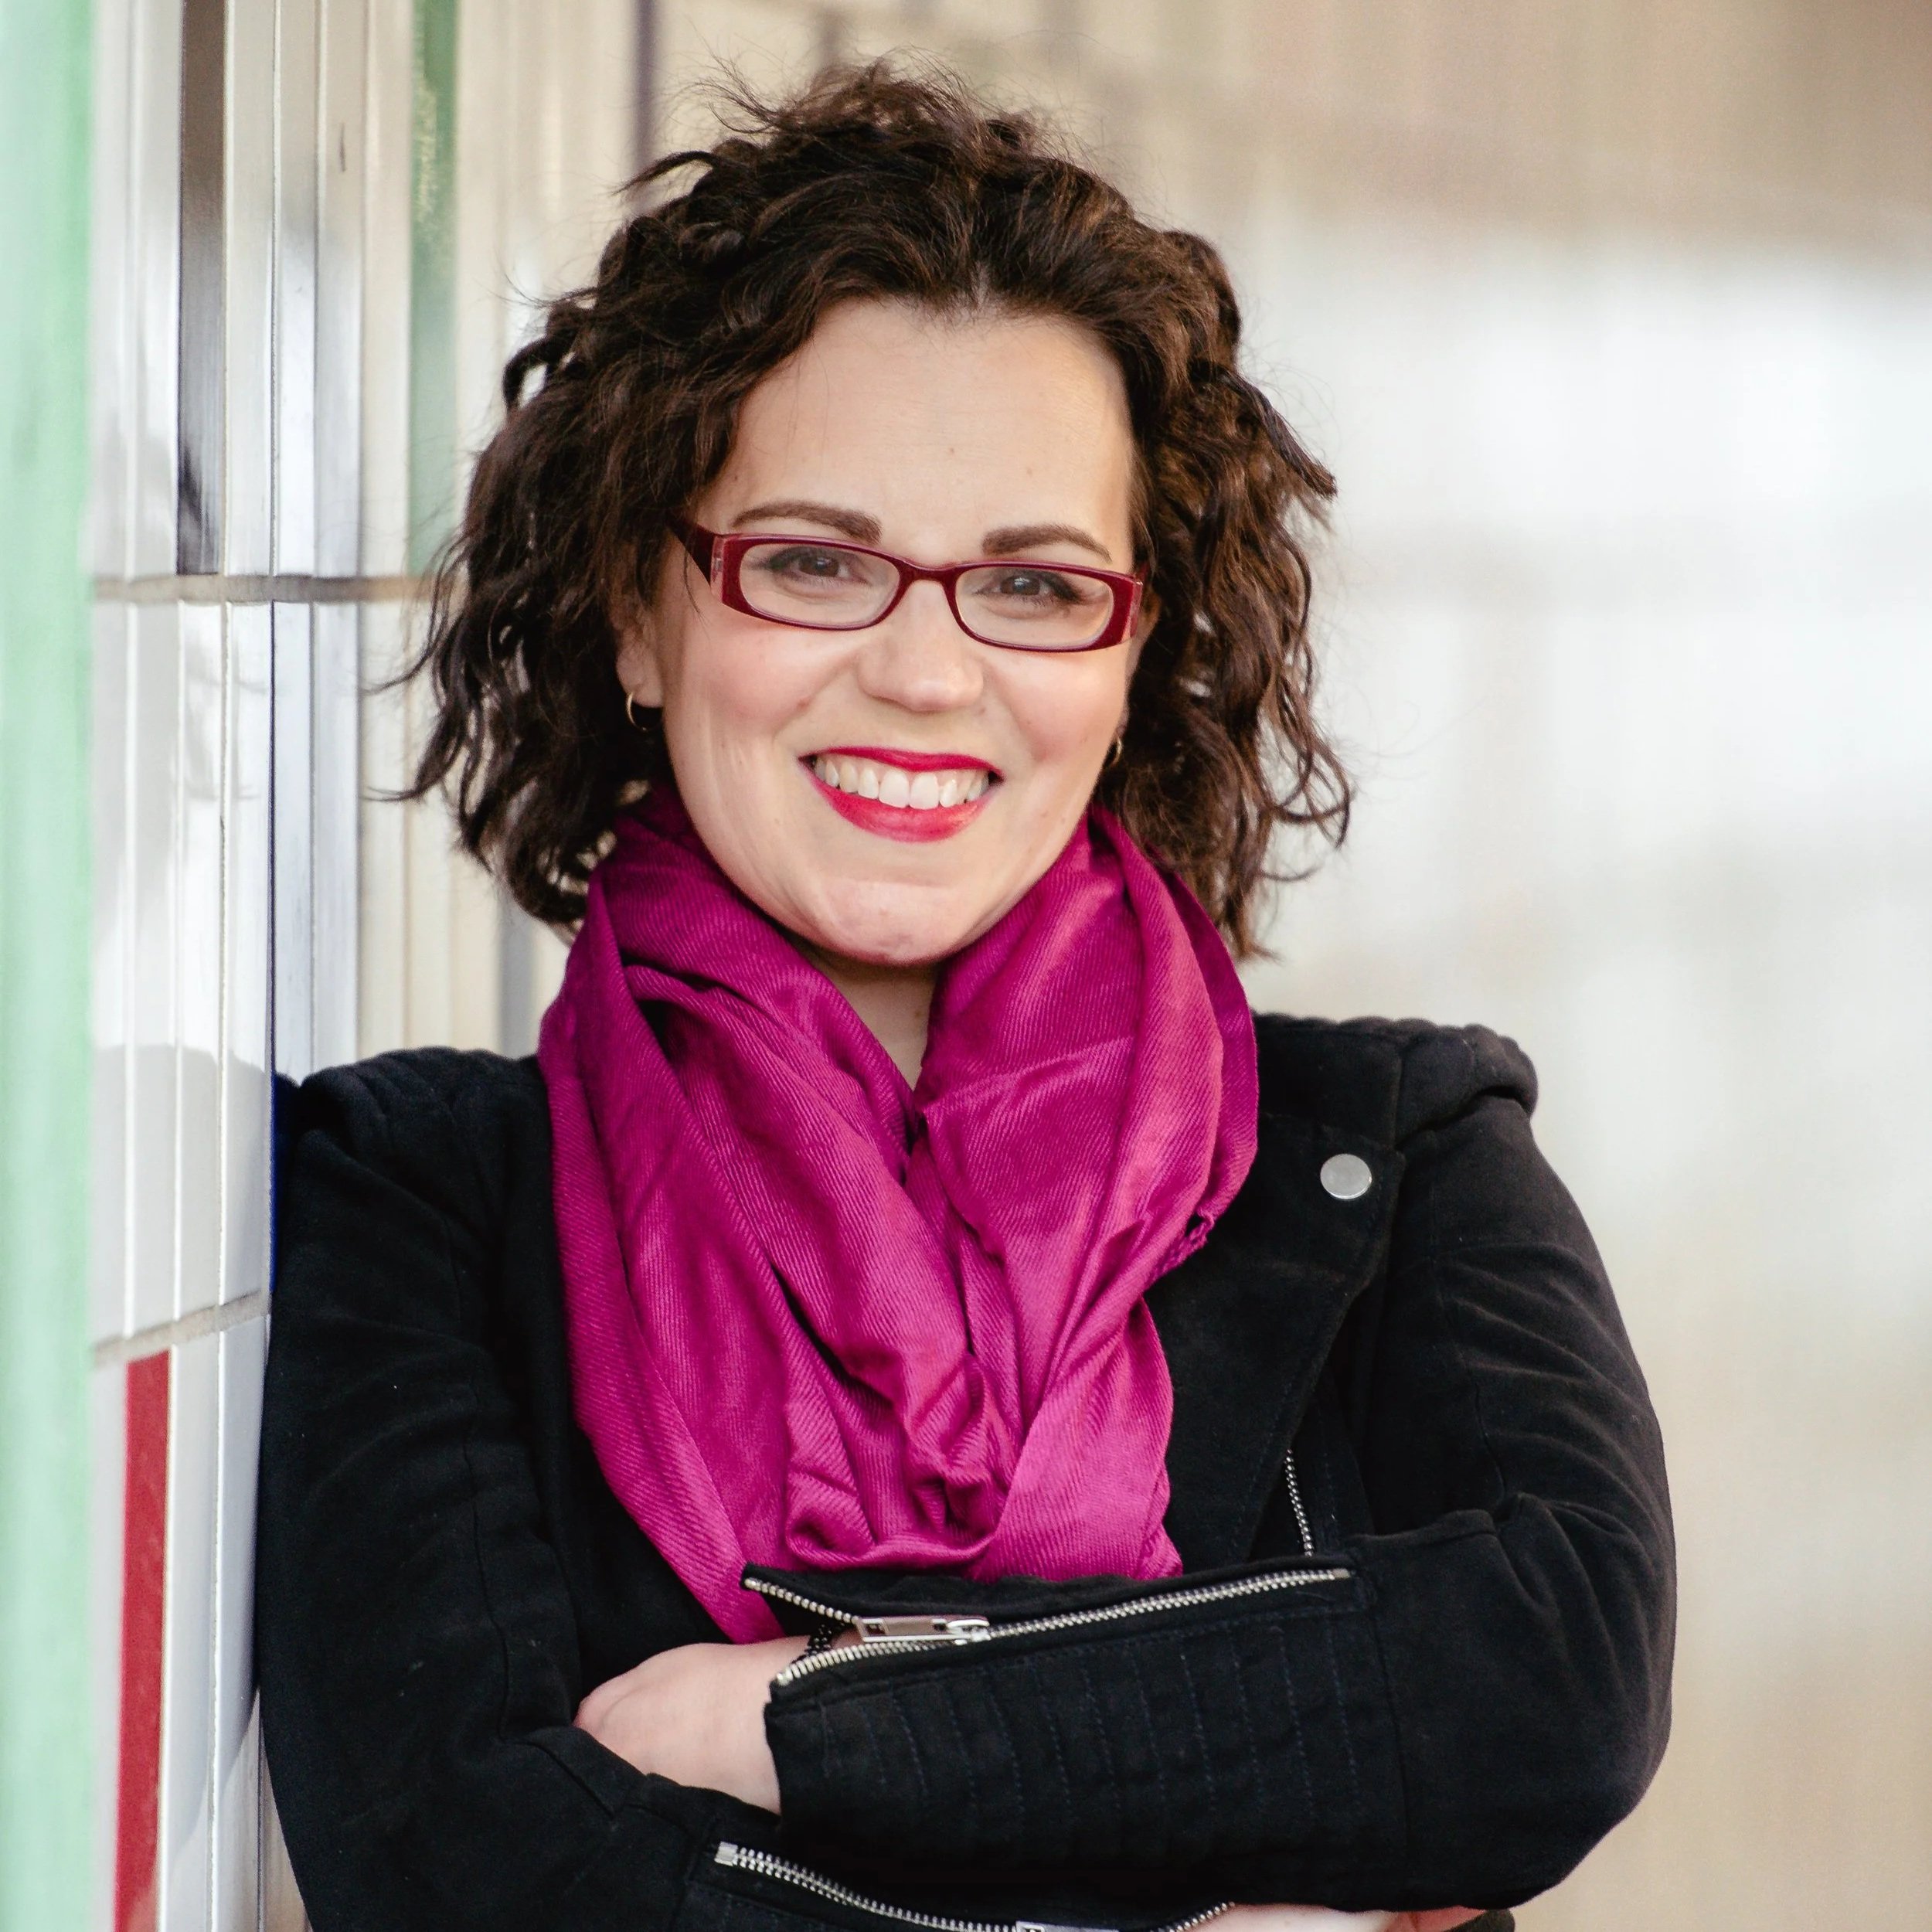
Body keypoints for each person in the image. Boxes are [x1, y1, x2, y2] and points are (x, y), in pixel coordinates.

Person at [256, 63, 1674, 1932]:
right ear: (634, 602)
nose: (928, 672)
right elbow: (476, 1866)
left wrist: (796, 1717)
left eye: (1030, 584)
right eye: (815, 562)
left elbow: (1545, 1688)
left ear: (1134, 642)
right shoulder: (422, 1196)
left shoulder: (1394, 1162)